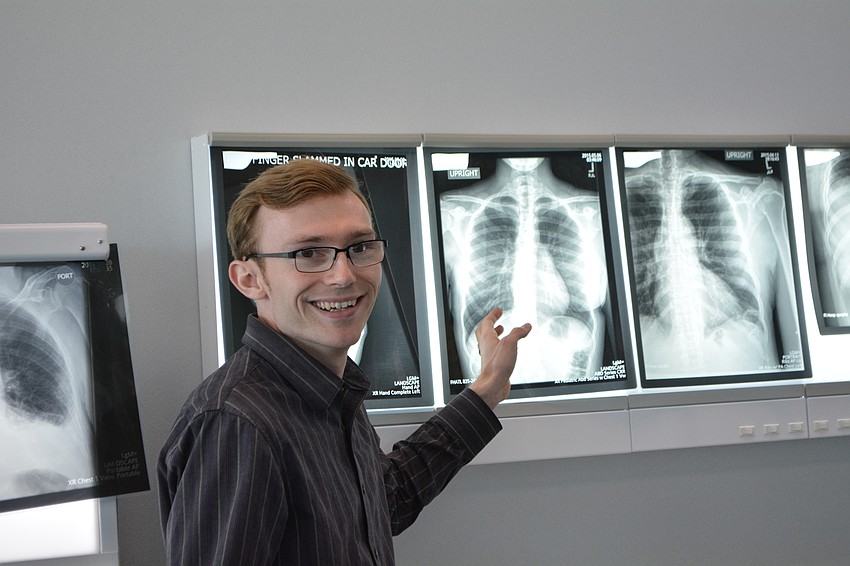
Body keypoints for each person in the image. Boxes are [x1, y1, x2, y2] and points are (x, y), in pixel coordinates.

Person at [157, 159, 532, 565]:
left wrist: (486, 390)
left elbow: (384, 502)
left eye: (360, 248)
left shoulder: (328, 386)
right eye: (310, 253)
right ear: (250, 279)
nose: (344, 275)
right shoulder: (236, 424)